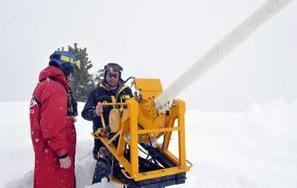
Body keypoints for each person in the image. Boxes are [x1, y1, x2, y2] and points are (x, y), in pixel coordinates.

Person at [29, 50, 80, 188]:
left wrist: (66, 120)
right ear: (65, 66)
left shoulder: (44, 85)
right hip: (54, 159)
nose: (71, 76)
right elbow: (51, 127)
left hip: (46, 155)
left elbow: (45, 120)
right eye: (71, 71)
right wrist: (62, 154)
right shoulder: (55, 88)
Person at [81, 63, 133, 183]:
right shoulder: (97, 92)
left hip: (123, 138)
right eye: (110, 75)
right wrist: (95, 112)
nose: (112, 78)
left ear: (119, 76)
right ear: (105, 75)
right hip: (103, 138)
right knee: (104, 167)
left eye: (115, 75)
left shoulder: (126, 91)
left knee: (127, 167)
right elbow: (85, 113)